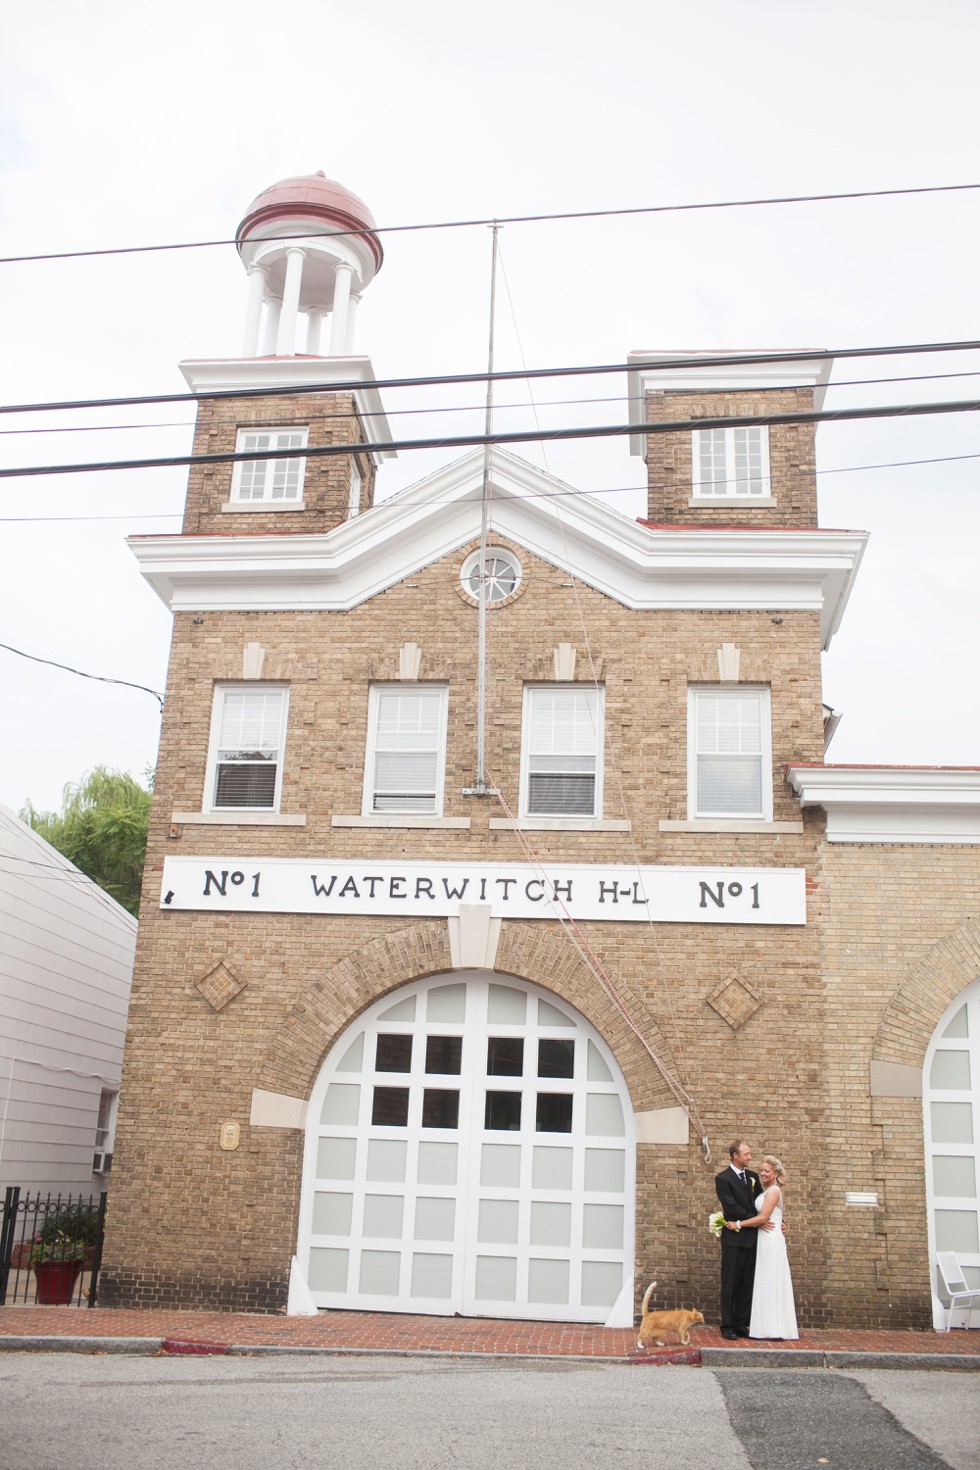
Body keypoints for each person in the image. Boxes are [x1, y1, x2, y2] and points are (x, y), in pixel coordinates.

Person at [738, 1154, 799, 1340]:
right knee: (765, 1280)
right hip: (764, 1239)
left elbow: (764, 1218)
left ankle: (775, 1328)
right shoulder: (767, 1191)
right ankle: (764, 1327)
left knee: (772, 1280)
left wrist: (738, 1224)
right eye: (761, 1170)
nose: (762, 1173)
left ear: (775, 1173)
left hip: (771, 1239)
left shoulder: (773, 1192)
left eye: (767, 1171)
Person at [714, 1138, 770, 1339]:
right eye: (746, 1154)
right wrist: (756, 1220)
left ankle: (741, 1323)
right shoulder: (723, 1179)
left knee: (747, 1282)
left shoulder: (753, 1177)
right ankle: (727, 1325)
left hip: (752, 1238)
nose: (750, 1157)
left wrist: (772, 1219)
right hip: (734, 1239)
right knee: (730, 1282)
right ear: (735, 1155)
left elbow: (762, 1203)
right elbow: (731, 1208)